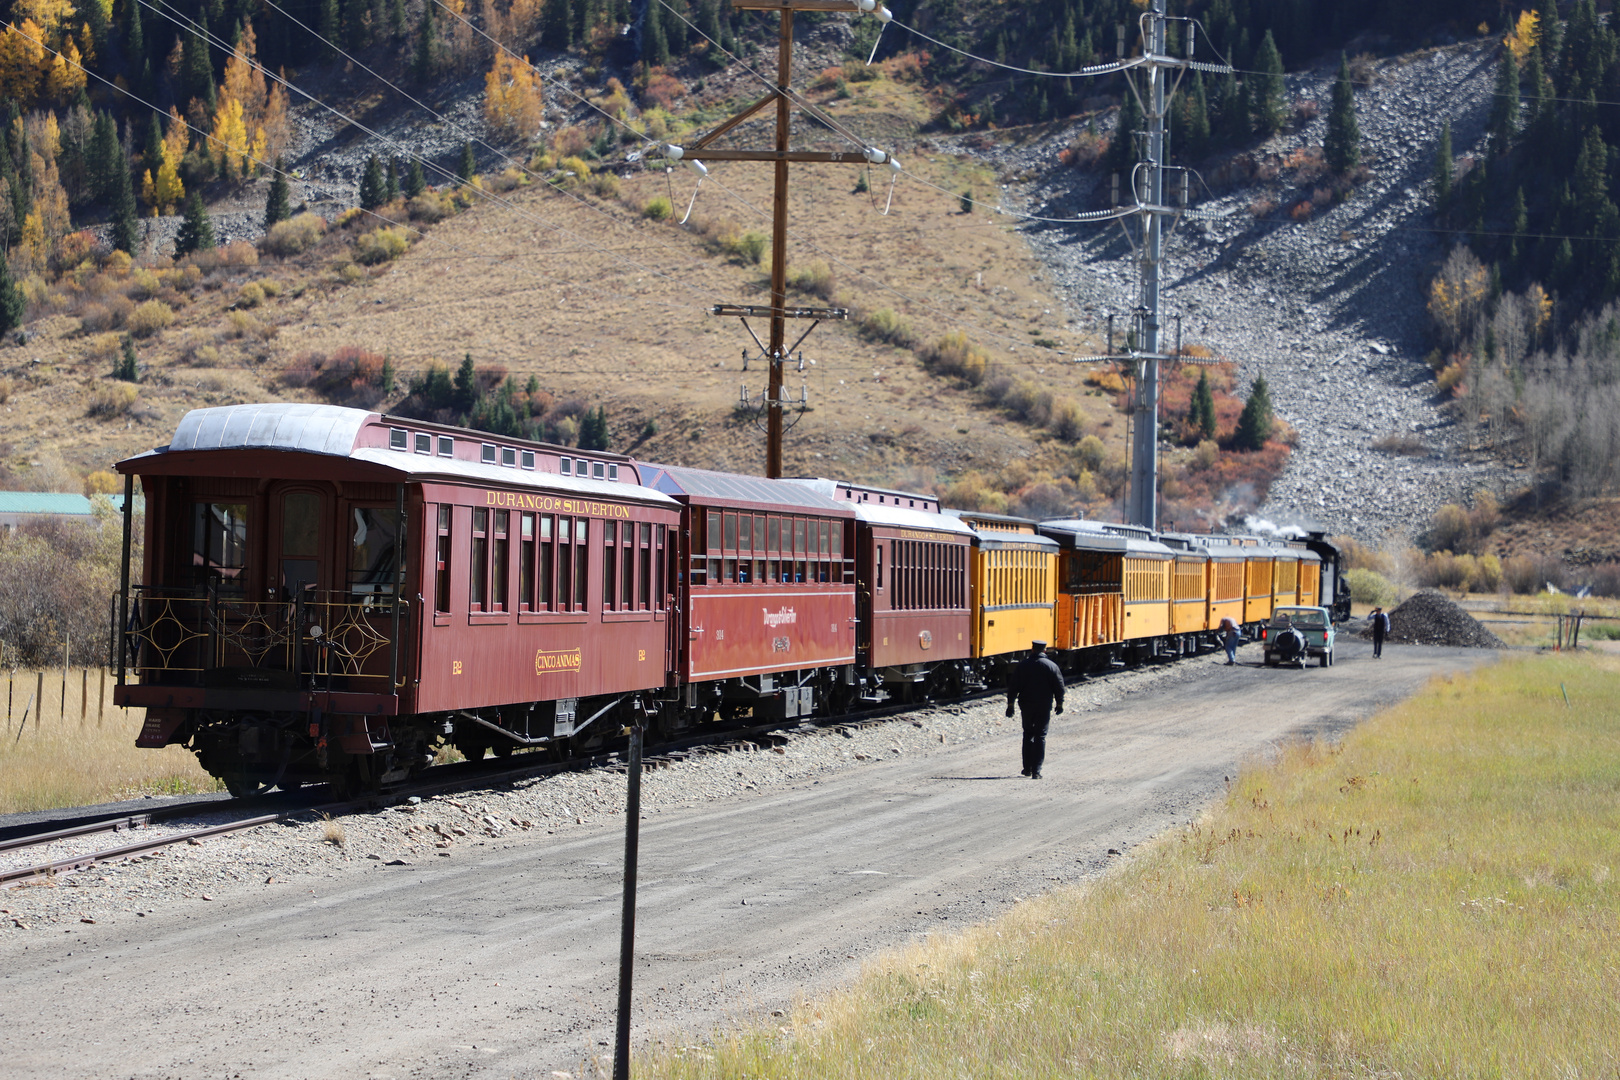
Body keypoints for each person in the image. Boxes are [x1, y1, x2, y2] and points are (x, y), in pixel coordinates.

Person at [1006, 640, 1064, 779]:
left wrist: (1010, 705)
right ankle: (1036, 771)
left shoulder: (1023, 666)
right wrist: (1059, 704)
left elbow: (1013, 686)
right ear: (1044, 651)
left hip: (1026, 705)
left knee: (1027, 734)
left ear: (1032, 649)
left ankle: (1027, 769)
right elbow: (1059, 687)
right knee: (1040, 736)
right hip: (1044, 706)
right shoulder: (1051, 666)